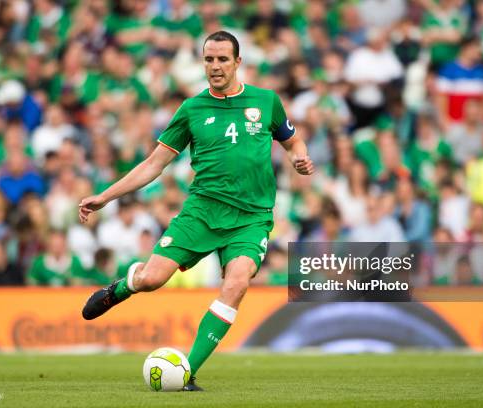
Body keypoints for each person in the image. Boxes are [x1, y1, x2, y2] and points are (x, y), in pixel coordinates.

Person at [77, 31, 313, 390]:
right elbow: (154, 164)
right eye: (208, 59)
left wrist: (298, 156)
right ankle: (125, 285)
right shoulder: (191, 109)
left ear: (238, 62)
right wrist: (105, 196)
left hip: (250, 219)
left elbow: (293, 140)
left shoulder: (266, 102)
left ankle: (186, 373)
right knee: (152, 280)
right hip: (201, 211)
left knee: (236, 283)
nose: (215, 66)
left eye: (222, 59)